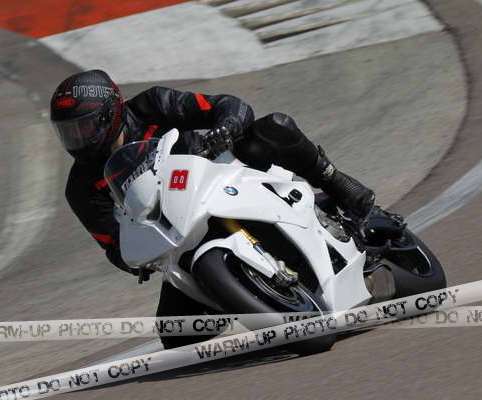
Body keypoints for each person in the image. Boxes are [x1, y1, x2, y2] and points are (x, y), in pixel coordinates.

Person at [50, 69, 375, 279]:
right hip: (177, 231)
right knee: (176, 334)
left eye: (84, 128)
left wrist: (227, 126)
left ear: (110, 114)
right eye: (68, 133)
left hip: (219, 172)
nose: (77, 140)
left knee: (275, 126)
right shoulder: (80, 188)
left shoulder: (152, 104)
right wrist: (139, 259)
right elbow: (113, 246)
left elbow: (229, 106)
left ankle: (336, 182)